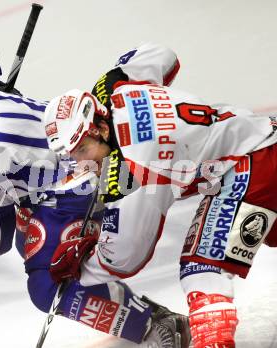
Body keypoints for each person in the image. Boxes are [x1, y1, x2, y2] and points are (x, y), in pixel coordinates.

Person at [0, 24, 190, 347]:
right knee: (28, 233)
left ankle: (155, 325)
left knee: (46, 283)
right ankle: (131, 308)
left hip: (79, 180)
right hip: (78, 130)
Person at [43, 41, 277, 348]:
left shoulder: (129, 168)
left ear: (100, 128)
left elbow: (126, 257)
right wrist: (123, 82)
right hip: (264, 137)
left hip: (247, 166)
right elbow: (164, 56)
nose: (84, 163)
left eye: (84, 150)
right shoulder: (112, 88)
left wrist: (83, 263)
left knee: (203, 272)